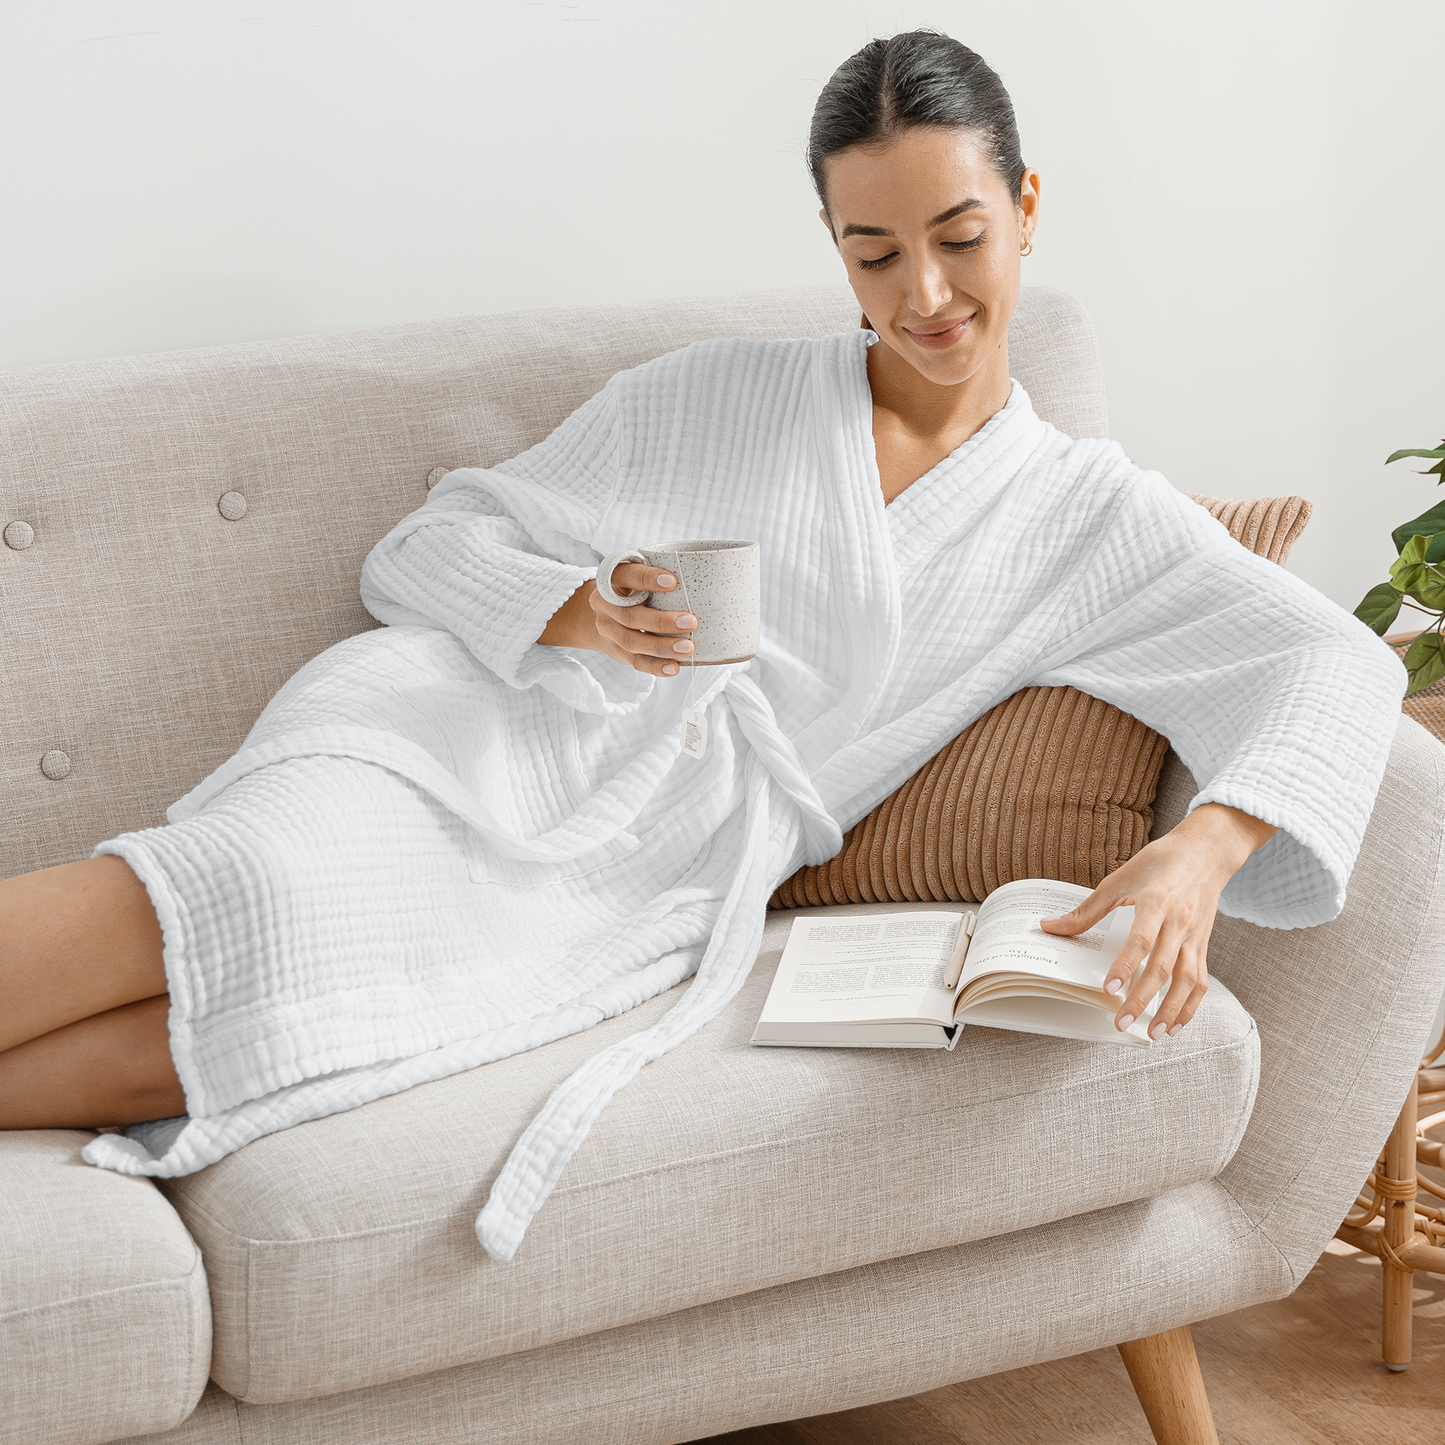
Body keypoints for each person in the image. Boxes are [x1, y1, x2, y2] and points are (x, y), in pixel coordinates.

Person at [0, 30, 1403, 1259]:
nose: (923, 293)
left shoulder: (1099, 519)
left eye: (960, 237)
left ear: (1027, 210)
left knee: (225, 1052)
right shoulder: (717, 396)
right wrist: (578, 609)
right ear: (835, 249)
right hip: (466, 739)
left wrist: (1202, 846)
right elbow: (428, 549)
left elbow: (1340, 663)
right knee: (226, 891)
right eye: (874, 252)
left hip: (637, 883)